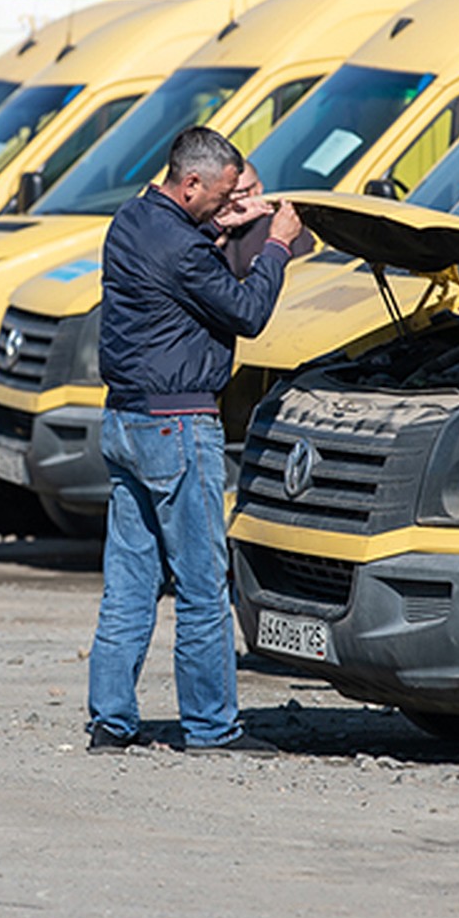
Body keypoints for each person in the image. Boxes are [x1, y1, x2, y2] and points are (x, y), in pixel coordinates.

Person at [87, 125, 303, 756]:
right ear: (189, 184)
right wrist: (277, 247)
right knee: (203, 587)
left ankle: (111, 722)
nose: (229, 200)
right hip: (178, 427)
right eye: (222, 192)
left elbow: (182, 248)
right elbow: (247, 312)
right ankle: (212, 727)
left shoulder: (130, 220)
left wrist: (226, 223)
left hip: (125, 423)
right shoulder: (185, 250)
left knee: (128, 584)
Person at [214, 159, 314, 277]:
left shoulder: (284, 224)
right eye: (229, 194)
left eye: (242, 192)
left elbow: (306, 274)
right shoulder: (219, 232)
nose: (236, 199)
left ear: (258, 188)